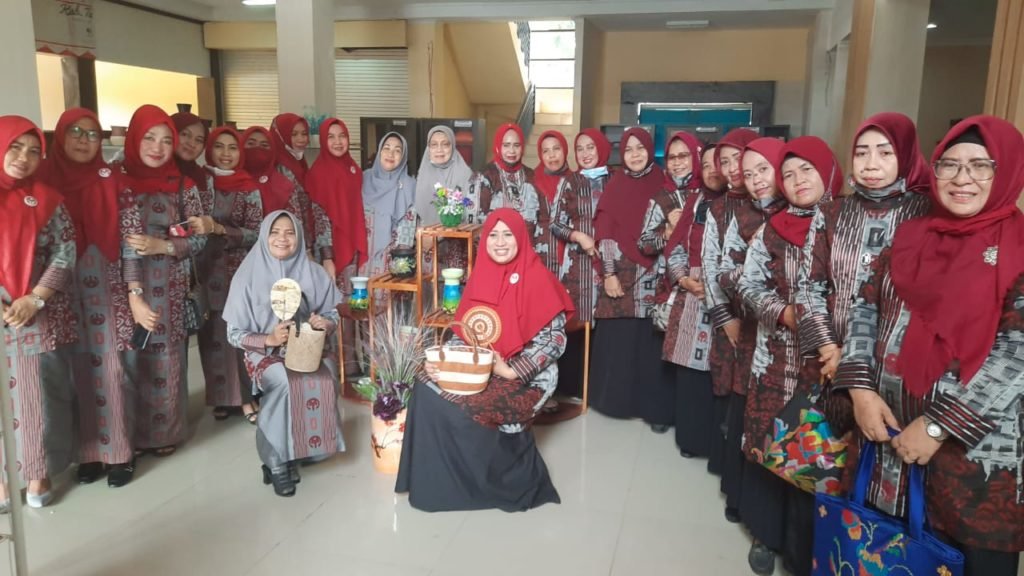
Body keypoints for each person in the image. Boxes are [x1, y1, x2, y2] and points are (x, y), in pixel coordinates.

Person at [835, 116, 1024, 576]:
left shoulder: (1019, 250)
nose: (962, 178)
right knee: (883, 556)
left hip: (973, 462)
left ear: (1007, 173)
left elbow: (1015, 355)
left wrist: (939, 426)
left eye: (980, 166)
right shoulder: (911, 236)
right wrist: (860, 390)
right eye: (950, 165)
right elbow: (865, 308)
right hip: (887, 436)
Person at [396, 208, 572, 512]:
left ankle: (483, 485)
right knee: (425, 386)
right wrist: (442, 361)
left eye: (508, 235)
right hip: (481, 367)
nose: (500, 242)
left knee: (467, 406)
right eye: (493, 235)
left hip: (528, 376)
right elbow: (464, 333)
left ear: (521, 238)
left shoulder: (537, 277)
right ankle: (438, 482)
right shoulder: (481, 275)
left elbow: (555, 340)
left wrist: (511, 370)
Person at [736, 136, 842, 576]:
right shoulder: (772, 228)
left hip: (831, 364)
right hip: (777, 356)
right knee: (769, 441)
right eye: (790, 174)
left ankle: (810, 551)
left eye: (807, 171)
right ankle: (765, 533)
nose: (798, 181)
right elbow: (746, 285)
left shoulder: (847, 223)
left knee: (819, 453)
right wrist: (783, 313)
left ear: (828, 171)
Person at [37, 108, 147, 488]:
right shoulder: (41, 183)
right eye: (75, 132)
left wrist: (134, 292)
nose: (84, 141)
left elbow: (132, 243)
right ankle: (88, 454)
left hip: (108, 289)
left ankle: (120, 452)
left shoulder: (114, 181)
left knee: (113, 372)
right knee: (73, 373)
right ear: (59, 135)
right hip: (59, 295)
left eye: (92, 134)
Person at [796, 113, 931, 388]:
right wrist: (829, 348)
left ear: (906, 155)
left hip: (897, 366)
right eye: (861, 153)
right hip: (829, 360)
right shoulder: (831, 212)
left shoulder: (927, 213)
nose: (870, 164)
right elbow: (808, 286)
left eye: (885, 153)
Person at [223, 211, 346, 497]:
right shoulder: (246, 276)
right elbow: (233, 334)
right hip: (264, 353)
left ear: (299, 237)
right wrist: (268, 338)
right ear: (264, 236)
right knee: (284, 382)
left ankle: (304, 449)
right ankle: (276, 461)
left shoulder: (313, 272)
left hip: (307, 349)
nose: (282, 238)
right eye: (275, 232)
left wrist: (325, 324)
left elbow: (332, 314)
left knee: (327, 375)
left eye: (290, 233)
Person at [120, 104, 208, 458]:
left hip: (168, 283)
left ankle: (164, 432)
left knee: (166, 357)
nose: (157, 148)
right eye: (149, 138)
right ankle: (126, 437)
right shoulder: (116, 179)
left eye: (165, 140)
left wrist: (165, 246)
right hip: (119, 284)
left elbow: (199, 237)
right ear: (134, 138)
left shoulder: (183, 185)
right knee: (127, 359)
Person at [0, 115, 77, 510]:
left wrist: (35, 298)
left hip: (38, 311)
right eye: (15, 147)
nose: (23, 157)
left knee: (39, 394)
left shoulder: (47, 199)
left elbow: (65, 251)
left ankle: (37, 471)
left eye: (33, 151)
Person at [699, 128, 764, 523]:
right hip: (730, 316)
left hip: (770, 326)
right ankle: (729, 477)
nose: (732, 168)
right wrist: (726, 319)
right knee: (730, 394)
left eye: (737, 158)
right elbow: (710, 265)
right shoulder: (719, 208)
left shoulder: (774, 204)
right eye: (724, 162)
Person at [589, 127, 674, 431]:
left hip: (656, 273)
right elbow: (605, 232)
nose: (635, 155)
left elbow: (673, 228)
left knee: (650, 344)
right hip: (620, 273)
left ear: (650, 150)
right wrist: (609, 274)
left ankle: (652, 408)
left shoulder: (664, 183)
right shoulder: (615, 185)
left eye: (640, 148)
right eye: (628, 149)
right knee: (620, 339)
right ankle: (615, 403)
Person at [638, 131, 713, 457]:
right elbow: (644, 241)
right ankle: (661, 413)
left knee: (694, 359)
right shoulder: (661, 197)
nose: (678, 162)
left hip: (703, 287)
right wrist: (669, 233)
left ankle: (691, 424)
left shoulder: (708, 192)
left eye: (684, 156)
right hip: (668, 286)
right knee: (665, 353)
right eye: (672, 157)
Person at [193, 127, 264, 423]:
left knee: (239, 333)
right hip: (205, 270)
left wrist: (221, 230)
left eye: (232, 147)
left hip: (239, 270)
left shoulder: (248, 187)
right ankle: (221, 397)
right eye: (219, 146)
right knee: (212, 336)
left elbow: (257, 232)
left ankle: (247, 398)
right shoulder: (200, 184)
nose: (225, 153)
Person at [549, 129, 611, 401]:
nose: (585, 154)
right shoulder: (570, 181)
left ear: (601, 149)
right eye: (580, 149)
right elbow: (555, 223)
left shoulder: (615, 180)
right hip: (577, 265)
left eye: (590, 147)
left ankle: (598, 390)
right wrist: (578, 236)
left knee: (605, 327)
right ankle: (572, 387)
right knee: (576, 322)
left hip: (610, 264)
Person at [306, 119, 368, 378]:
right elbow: (319, 217)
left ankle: (361, 363)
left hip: (354, 248)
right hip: (335, 252)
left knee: (357, 305)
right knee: (338, 308)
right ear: (323, 140)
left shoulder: (353, 168)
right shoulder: (318, 173)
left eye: (342, 135)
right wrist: (327, 256)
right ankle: (345, 366)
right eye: (331, 137)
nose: (338, 141)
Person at [468, 123, 552, 267]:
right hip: (495, 254)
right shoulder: (484, 176)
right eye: (506, 145)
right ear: (498, 147)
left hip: (528, 255)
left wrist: (538, 254)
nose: (511, 151)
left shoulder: (531, 176)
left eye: (516, 145)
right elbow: (474, 222)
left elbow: (543, 218)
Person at [269, 113, 334, 275]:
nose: (301, 139)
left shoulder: (301, 165)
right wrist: (305, 251)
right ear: (281, 136)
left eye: (304, 134)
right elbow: (293, 213)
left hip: (308, 248)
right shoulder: (278, 169)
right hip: (290, 251)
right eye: (294, 134)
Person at [360, 132, 417, 281]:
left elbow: (407, 233)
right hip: (362, 255)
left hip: (392, 259)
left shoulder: (410, 186)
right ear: (379, 151)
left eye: (397, 150)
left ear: (403, 156)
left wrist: (400, 266)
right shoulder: (363, 179)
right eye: (386, 148)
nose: (391, 154)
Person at [415, 125, 474, 229]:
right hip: (427, 235)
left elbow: (472, 210)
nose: (439, 150)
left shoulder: (466, 174)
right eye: (434, 145)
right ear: (428, 148)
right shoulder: (422, 175)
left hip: (460, 234)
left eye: (445, 144)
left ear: (453, 146)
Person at [241, 126, 292, 217]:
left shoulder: (284, 185)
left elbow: (293, 221)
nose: (257, 148)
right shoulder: (230, 181)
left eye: (264, 145)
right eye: (251, 143)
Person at [170, 112, 209, 193]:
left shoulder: (205, 178)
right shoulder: (153, 174)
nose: (192, 144)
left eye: (199, 140)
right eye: (185, 134)